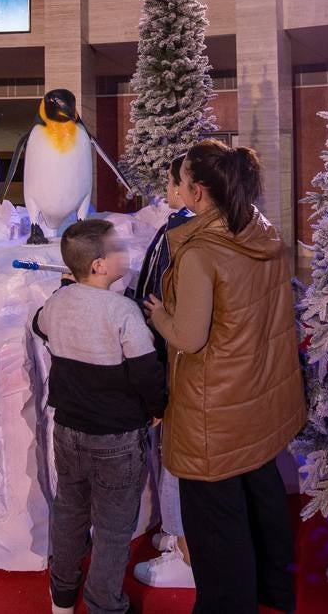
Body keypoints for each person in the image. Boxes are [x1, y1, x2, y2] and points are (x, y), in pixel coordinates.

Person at [145, 140, 306, 613]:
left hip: (213, 409)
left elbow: (189, 337)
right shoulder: (262, 232)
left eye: (181, 182)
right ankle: (272, 591)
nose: (178, 189)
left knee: (216, 522)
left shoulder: (201, 253)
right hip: (257, 398)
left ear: (196, 192)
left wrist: (159, 315)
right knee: (259, 494)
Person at [33, 218, 167, 614]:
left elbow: (40, 325)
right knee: (112, 527)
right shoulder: (123, 311)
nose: (125, 254)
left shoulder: (58, 302)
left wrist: (66, 293)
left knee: (70, 512)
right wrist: (157, 408)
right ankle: (105, 604)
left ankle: (62, 596)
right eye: (117, 249)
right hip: (117, 439)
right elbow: (146, 372)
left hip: (68, 431)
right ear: (98, 265)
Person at [129, 154, 195, 589]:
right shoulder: (235, 226)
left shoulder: (182, 232)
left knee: (175, 455)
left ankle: (186, 554)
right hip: (187, 360)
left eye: (173, 182)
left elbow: (160, 299)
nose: (168, 190)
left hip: (176, 359)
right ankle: (180, 536)